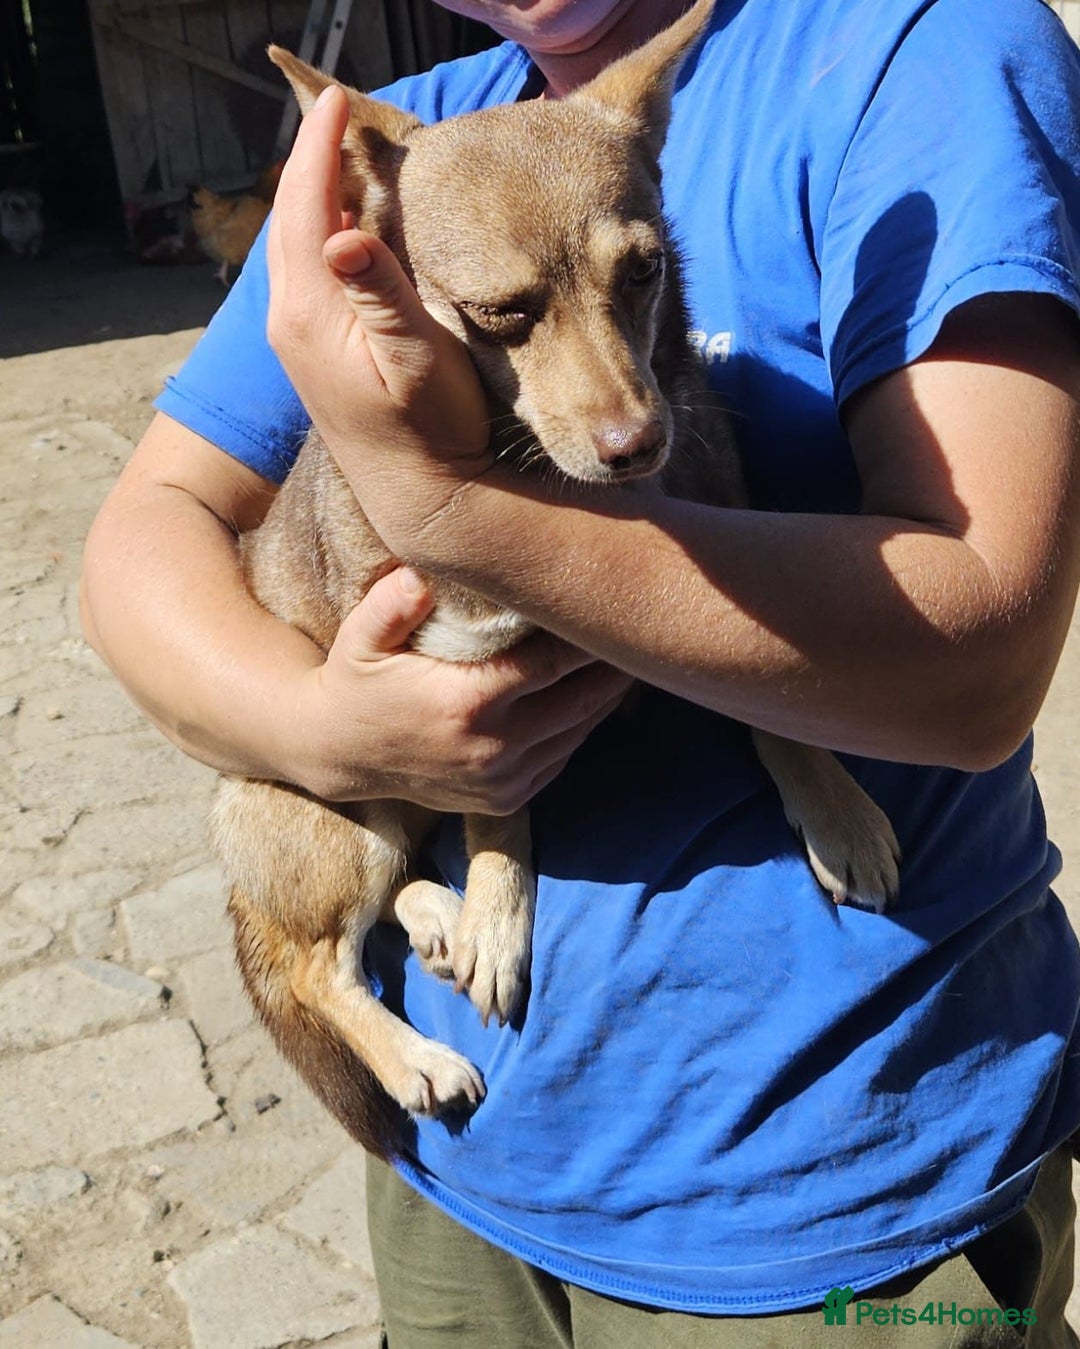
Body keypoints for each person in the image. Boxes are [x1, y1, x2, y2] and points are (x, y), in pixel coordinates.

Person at [81, 0, 1080, 1343]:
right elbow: (142, 543)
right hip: (468, 1164)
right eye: (503, 315)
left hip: (836, 1192)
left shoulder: (918, 48)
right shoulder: (399, 147)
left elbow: (980, 661)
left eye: (637, 278)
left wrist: (442, 508)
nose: (622, 404)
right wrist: (337, 733)